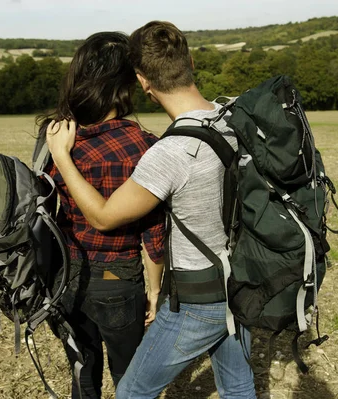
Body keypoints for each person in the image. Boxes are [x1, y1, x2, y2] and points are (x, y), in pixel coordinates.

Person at [46, 22, 256, 398]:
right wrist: (155, 287)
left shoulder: (166, 152)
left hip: (189, 295)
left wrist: (61, 155)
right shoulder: (231, 119)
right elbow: (154, 231)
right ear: (190, 60)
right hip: (236, 281)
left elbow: (102, 216)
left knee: (117, 386)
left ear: (143, 81)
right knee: (237, 385)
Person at [36, 31, 165, 399]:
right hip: (118, 279)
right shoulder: (142, 146)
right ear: (126, 85)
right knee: (131, 378)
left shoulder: (59, 137)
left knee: (82, 374)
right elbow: (153, 232)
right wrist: (155, 290)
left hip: (65, 277)